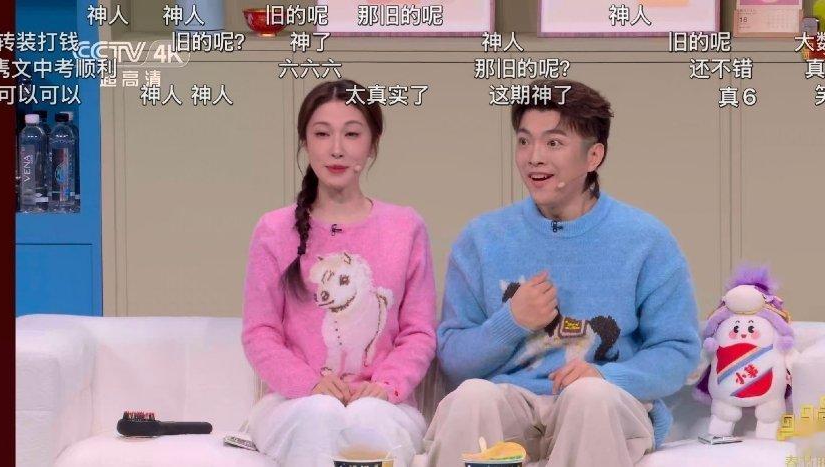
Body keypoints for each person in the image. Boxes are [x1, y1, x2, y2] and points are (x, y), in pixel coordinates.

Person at [423, 79, 701, 467]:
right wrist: (511, 322)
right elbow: (453, 358)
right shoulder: (482, 239)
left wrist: (607, 377)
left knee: (588, 397)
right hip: (511, 402)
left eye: (553, 143)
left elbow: (678, 351)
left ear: (593, 156)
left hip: (602, 404)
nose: (534, 157)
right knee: (470, 397)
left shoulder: (646, 240)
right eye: (524, 141)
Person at [242, 79, 437, 467]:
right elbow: (259, 332)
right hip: (293, 402)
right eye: (322, 134)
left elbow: (418, 332)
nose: (336, 149)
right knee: (320, 414)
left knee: (370, 421)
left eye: (351, 134)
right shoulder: (273, 230)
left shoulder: (405, 227)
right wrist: (310, 384)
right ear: (305, 142)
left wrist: (385, 385)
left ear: (372, 143)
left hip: (385, 402)